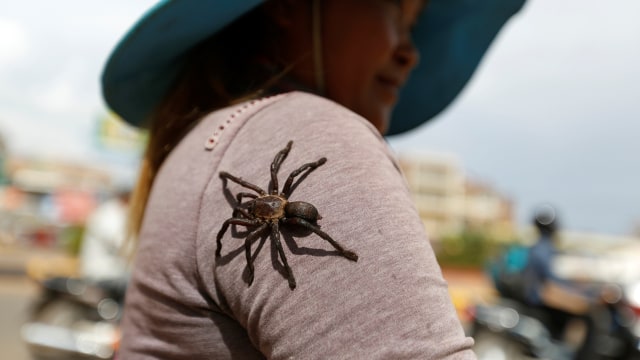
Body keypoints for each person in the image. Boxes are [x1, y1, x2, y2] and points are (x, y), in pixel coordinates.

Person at [101, 0, 525, 358]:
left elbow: (276, 188)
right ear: (288, 4)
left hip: (294, 209)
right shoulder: (307, 132)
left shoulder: (207, 143)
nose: (410, 53)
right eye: (396, 11)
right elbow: (251, 223)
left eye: (411, 27)